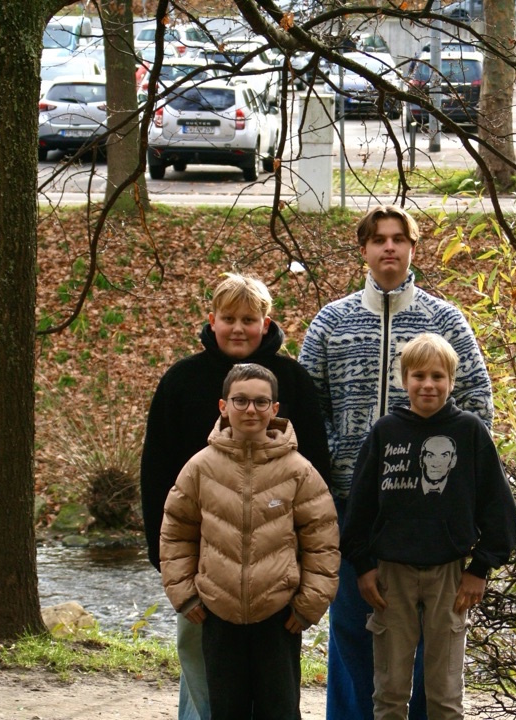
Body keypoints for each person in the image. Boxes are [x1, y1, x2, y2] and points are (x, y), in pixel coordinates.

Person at [298, 204, 494, 720]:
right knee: (352, 625)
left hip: (431, 510)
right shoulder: (331, 322)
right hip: (350, 504)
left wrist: (457, 486)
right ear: (363, 249)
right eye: (379, 239)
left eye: (399, 239)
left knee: (432, 638)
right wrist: (329, 472)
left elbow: (477, 403)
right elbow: (306, 408)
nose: (389, 247)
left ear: (411, 248)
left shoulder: (444, 320)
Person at [141, 273, 332, 720]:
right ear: (213, 321)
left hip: (275, 566)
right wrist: (167, 563)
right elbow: (156, 475)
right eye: (229, 319)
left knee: (274, 682)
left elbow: (315, 486)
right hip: (202, 561)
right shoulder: (182, 381)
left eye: (249, 319)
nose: (239, 329)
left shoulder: (291, 381)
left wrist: (307, 573)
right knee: (201, 666)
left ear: (266, 324)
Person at [340, 334, 516, 720]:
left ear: (451, 381)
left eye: (438, 376)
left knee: (445, 695)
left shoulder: (470, 431)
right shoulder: (385, 432)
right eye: (418, 376)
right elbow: (359, 507)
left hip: (450, 576)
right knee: (389, 692)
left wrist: (480, 568)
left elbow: (499, 507)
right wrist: (363, 564)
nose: (428, 385)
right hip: (391, 575)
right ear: (404, 380)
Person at [159, 363, 340, 720]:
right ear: (223, 406)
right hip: (217, 612)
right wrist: (185, 593)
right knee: (226, 710)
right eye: (240, 400)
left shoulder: (298, 470)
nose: (250, 410)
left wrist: (308, 604)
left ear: (275, 409)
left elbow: (323, 540)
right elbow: (176, 532)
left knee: (280, 710)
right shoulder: (200, 468)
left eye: (261, 402)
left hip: (279, 615)